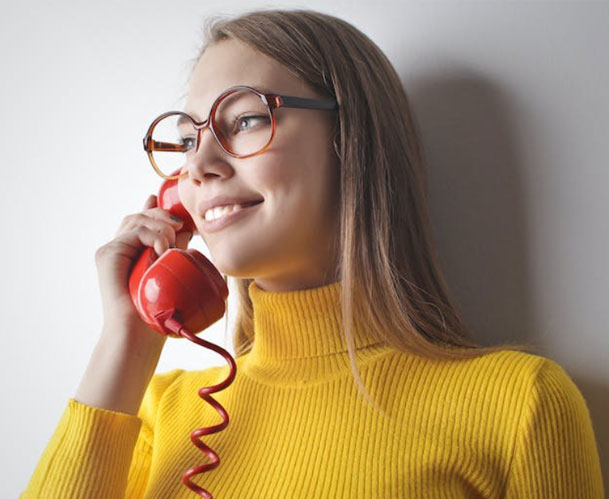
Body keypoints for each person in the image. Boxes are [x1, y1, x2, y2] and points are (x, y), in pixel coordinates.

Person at [21, 8, 604, 498]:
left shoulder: (519, 406)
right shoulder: (158, 413)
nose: (197, 166)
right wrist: (127, 338)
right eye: (190, 138)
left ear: (350, 140)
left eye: (244, 120)